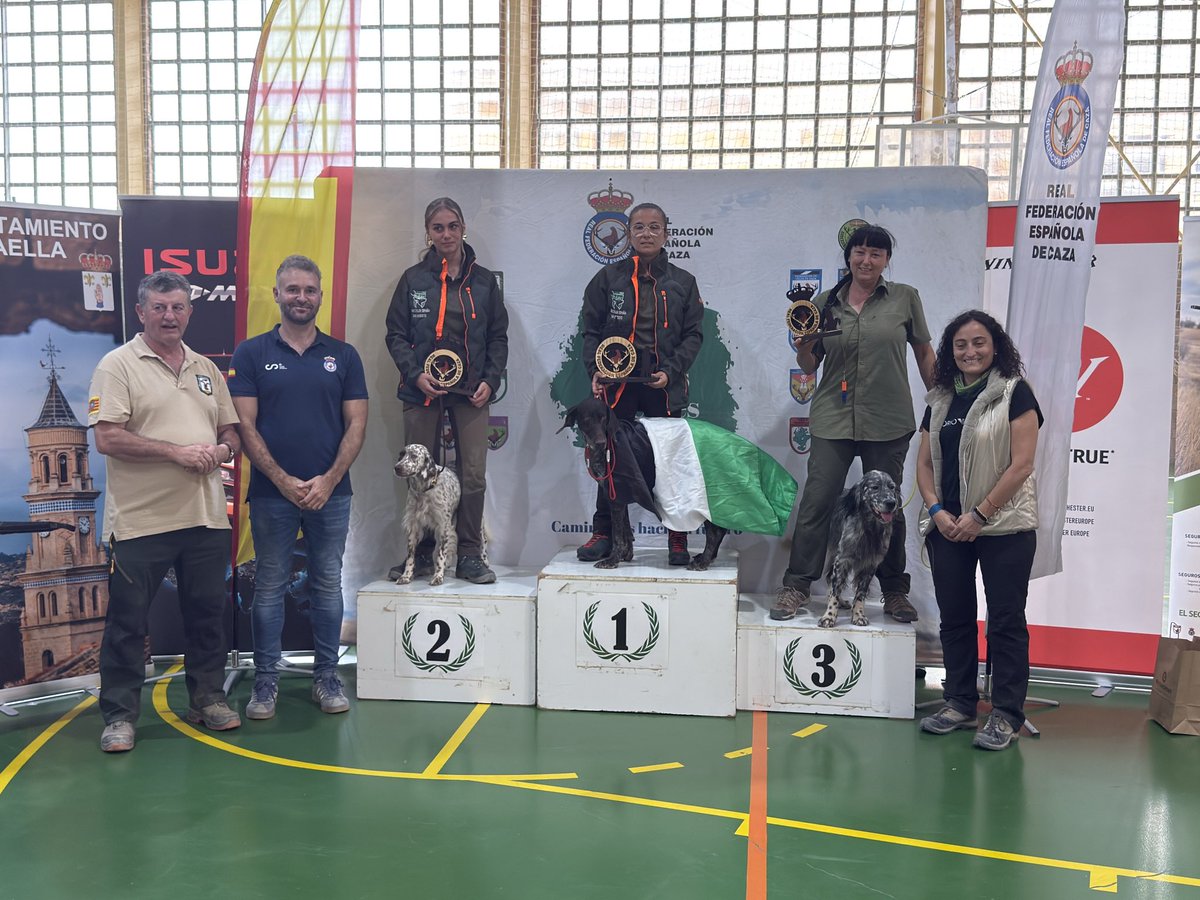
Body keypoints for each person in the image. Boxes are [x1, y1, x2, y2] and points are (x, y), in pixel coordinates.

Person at [89, 271, 242, 753]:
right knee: (128, 625)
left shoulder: (205, 367)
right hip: (141, 522)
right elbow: (107, 437)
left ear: (190, 312)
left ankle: (209, 698)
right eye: (159, 307)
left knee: (207, 616)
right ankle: (119, 716)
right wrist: (176, 453)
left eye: (177, 307)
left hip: (206, 517)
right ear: (141, 312)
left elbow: (231, 432)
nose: (169, 316)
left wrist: (221, 451)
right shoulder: (117, 365)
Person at [229, 255, 368, 719]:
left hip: (333, 493)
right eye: (292, 289)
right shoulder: (251, 353)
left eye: (309, 290)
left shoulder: (344, 356)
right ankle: (265, 681)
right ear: (277, 294)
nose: (301, 297)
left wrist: (329, 479)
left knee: (328, 583)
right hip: (272, 494)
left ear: (320, 296)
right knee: (269, 584)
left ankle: (326, 677)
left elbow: (357, 424)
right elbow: (245, 426)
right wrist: (283, 480)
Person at [773, 224, 935, 621]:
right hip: (834, 418)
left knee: (888, 508)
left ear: (886, 260)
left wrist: (941, 401)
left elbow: (924, 354)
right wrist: (804, 345)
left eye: (876, 253)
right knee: (817, 502)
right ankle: (797, 586)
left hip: (888, 419)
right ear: (848, 258)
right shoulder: (824, 303)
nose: (867, 260)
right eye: (859, 252)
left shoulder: (905, 298)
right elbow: (808, 366)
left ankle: (894, 591)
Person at [916, 310, 1041, 751]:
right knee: (954, 619)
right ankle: (959, 703)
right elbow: (924, 464)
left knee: (1005, 623)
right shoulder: (939, 399)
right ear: (950, 352)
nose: (970, 351)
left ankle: (1006, 714)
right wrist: (937, 510)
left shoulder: (1015, 392)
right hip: (948, 527)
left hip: (1004, 527)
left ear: (995, 346)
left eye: (979, 342)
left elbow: (1022, 464)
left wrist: (980, 515)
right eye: (961, 345)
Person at [385, 197, 508, 584]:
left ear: (463, 228)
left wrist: (490, 380)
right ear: (428, 233)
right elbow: (395, 335)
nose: (446, 234)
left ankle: (469, 554)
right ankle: (421, 554)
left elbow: (498, 337)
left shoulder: (484, 281)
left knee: (473, 474)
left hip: (471, 391)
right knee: (419, 474)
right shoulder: (413, 280)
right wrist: (414, 374)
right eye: (438, 228)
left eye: (453, 226)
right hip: (421, 390)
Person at [576, 202, 704, 566]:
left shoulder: (683, 282)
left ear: (666, 234)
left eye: (654, 227)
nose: (646, 233)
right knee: (609, 458)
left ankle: (677, 535)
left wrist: (672, 371)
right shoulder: (607, 279)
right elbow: (590, 331)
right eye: (639, 227)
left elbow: (693, 335)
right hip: (617, 383)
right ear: (628, 234)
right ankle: (605, 532)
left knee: (669, 459)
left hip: (662, 383)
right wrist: (596, 369)